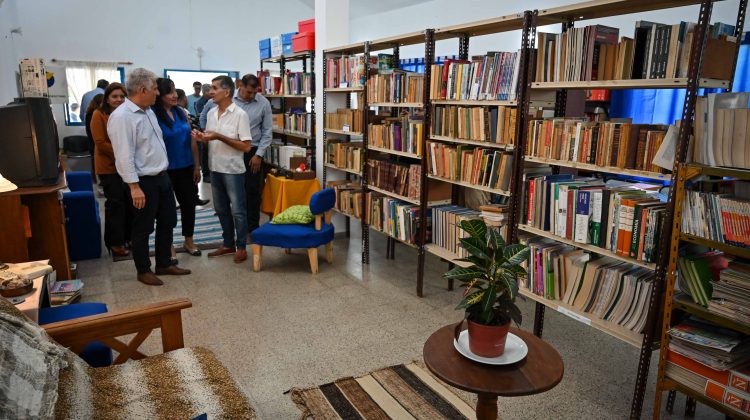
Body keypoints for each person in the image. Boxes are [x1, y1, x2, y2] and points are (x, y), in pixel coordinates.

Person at [108, 68, 190, 286]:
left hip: (162, 176)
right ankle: (143, 269)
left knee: (168, 220)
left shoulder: (149, 111)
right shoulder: (122, 117)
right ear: (142, 89)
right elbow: (124, 155)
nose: (157, 93)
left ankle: (164, 263)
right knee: (143, 226)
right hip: (142, 181)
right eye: (154, 89)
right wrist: (134, 187)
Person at [192, 75, 252, 263]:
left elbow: (246, 146)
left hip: (232, 169)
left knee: (238, 211)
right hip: (214, 167)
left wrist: (219, 137)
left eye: (214, 88)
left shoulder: (240, 115)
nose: (210, 92)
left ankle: (241, 246)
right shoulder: (210, 113)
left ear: (226, 92)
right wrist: (202, 137)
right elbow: (211, 136)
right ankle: (227, 244)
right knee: (220, 209)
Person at [152, 78, 203, 258]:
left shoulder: (181, 112)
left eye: (175, 91)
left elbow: (192, 140)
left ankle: (188, 241)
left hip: (186, 166)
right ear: (159, 95)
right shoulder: (153, 116)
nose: (175, 95)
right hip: (165, 170)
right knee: (166, 210)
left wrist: (197, 166)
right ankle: (169, 245)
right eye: (170, 92)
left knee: (189, 205)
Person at [90, 83, 132, 257]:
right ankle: (115, 242)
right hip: (109, 167)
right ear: (107, 98)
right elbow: (101, 143)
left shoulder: (126, 114)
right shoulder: (98, 114)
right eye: (115, 96)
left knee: (129, 204)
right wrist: (123, 155)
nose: (119, 100)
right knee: (116, 205)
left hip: (127, 166)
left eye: (122, 96)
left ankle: (127, 238)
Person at [234, 74, 272, 234]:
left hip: (253, 152)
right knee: (235, 191)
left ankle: (252, 228)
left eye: (254, 92)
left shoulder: (263, 103)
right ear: (240, 86)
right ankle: (237, 227)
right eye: (248, 92)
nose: (251, 96)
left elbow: (267, 131)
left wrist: (259, 155)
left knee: (253, 191)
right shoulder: (229, 99)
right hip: (232, 150)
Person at [84, 94, 104, 183]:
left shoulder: (89, 113)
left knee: (95, 164)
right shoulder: (96, 114)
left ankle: (97, 182)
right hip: (96, 143)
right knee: (98, 165)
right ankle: (98, 183)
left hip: (92, 142)